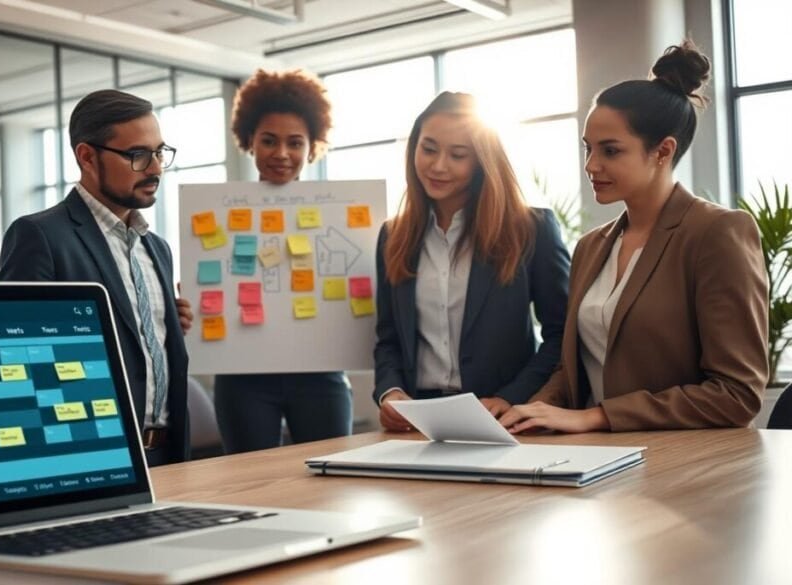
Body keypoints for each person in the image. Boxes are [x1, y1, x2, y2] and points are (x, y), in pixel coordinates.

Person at [498, 41, 768, 434]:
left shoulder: (717, 233)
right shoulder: (591, 247)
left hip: (683, 467)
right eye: (588, 149)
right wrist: (527, 411)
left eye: (610, 151)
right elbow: (571, 370)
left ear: (663, 151)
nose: (592, 165)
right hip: (594, 459)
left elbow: (736, 394)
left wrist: (596, 416)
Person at [0, 89, 193, 466]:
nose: (154, 168)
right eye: (138, 155)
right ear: (87, 156)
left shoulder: (157, 248)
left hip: (167, 453)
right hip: (90, 455)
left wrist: (165, 324)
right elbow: (15, 356)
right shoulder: (40, 236)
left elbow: (139, 345)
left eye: (159, 152)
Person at [373, 91, 570, 432]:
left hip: (502, 418)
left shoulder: (531, 229)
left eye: (458, 155)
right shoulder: (394, 235)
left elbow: (562, 335)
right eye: (429, 148)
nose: (438, 166)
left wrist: (511, 396)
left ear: (481, 160)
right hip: (418, 421)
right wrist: (390, 392)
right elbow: (388, 338)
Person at [212, 69, 353, 454]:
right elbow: (214, 287)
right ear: (249, 142)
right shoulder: (217, 217)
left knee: (331, 483)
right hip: (243, 375)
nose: (282, 154)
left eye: (295, 142)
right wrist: (196, 294)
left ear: (312, 147)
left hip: (320, 373)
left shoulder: (338, 218)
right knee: (249, 486)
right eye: (269, 141)